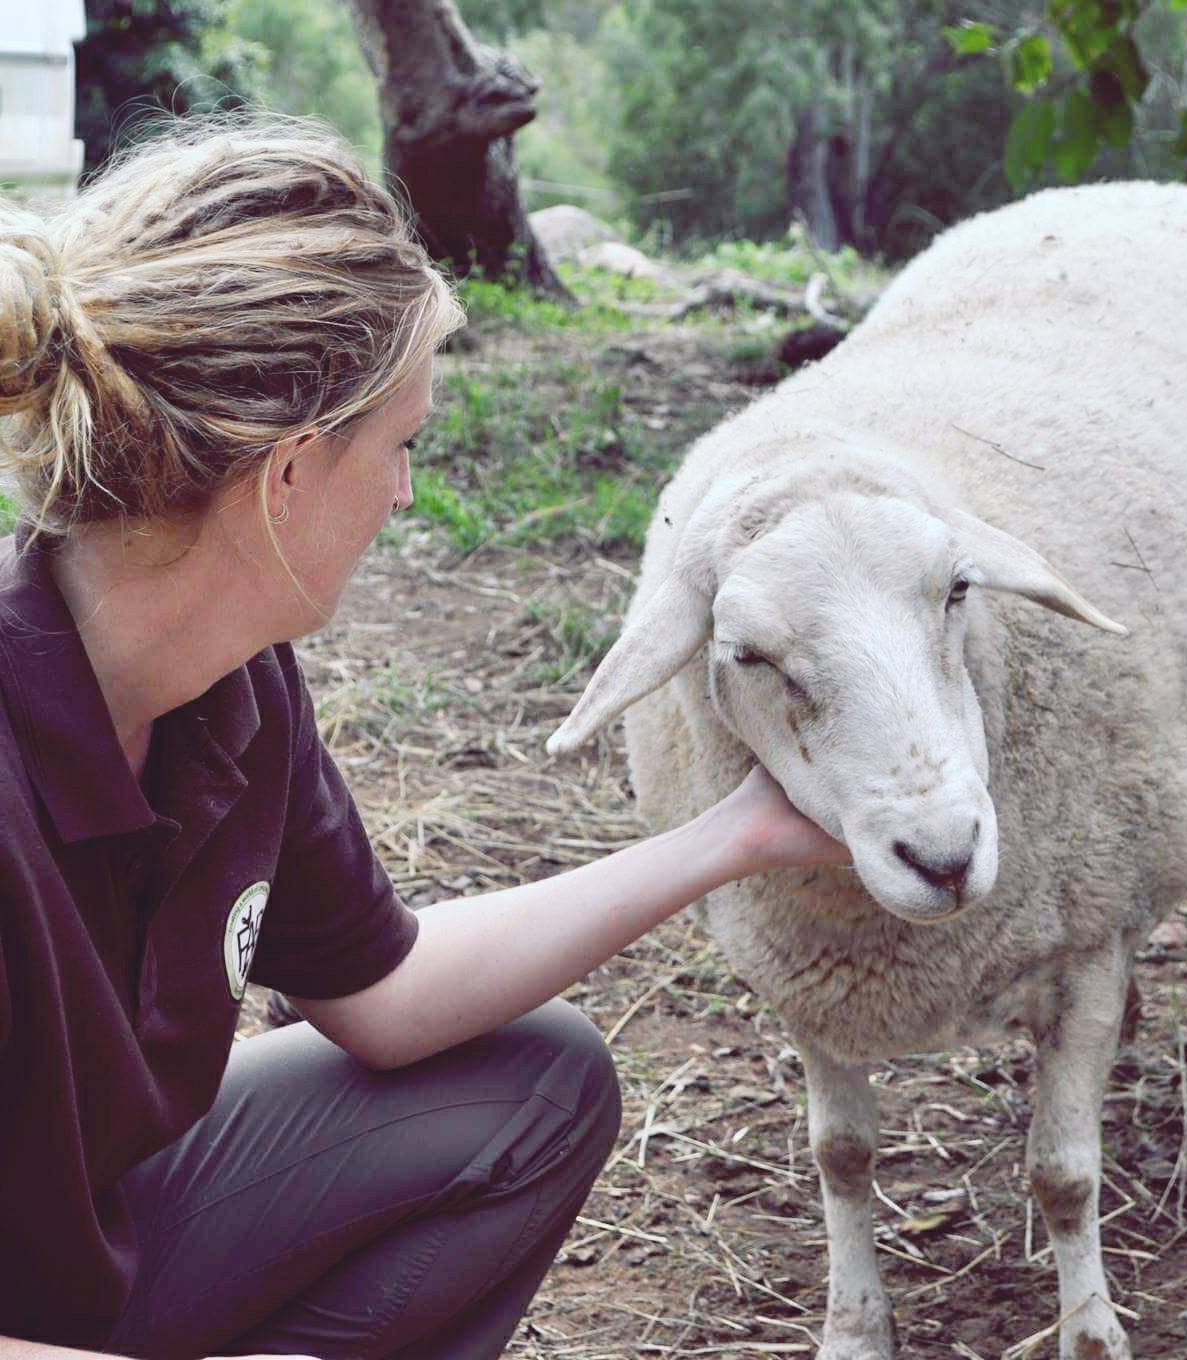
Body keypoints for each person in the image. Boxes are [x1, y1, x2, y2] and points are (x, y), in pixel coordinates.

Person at [0, 119, 848, 1360]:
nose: (404, 493)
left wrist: (734, 835)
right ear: (287, 476)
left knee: (535, 1088)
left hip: (85, 1250)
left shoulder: (234, 692)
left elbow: (385, 996)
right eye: (400, 446)